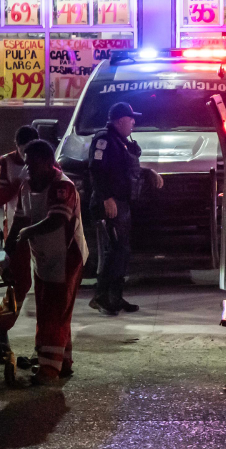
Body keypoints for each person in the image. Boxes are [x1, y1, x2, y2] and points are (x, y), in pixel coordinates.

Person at [9, 139, 88, 386]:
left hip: (66, 257)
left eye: (32, 164)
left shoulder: (62, 186)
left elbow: (57, 220)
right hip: (44, 256)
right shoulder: (28, 185)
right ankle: (60, 360)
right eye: (26, 163)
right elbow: (20, 219)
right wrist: (8, 248)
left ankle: (48, 369)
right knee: (48, 309)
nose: (28, 168)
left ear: (48, 162)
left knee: (55, 311)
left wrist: (26, 234)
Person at [87, 101, 163, 316]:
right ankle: (101, 297)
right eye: (131, 119)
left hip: (122, 204)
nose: (134, 122)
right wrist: (106, 198)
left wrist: (148, 172)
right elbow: (96, 170)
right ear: (121, 120)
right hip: (110, 205)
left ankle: (116, 297)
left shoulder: (119, 141)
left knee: (122, 252)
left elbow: (125, 168)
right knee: (114, 252)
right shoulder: (103, 140)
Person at [0, 124, 41, 357]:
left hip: (43, 231)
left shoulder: (47, 161)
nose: (27, 156)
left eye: (31, 150)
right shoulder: (6, 162)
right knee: (20, 284)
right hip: (16, 230)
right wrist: (21, 183)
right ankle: (1, 326)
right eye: (23, 151)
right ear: (16, 147)